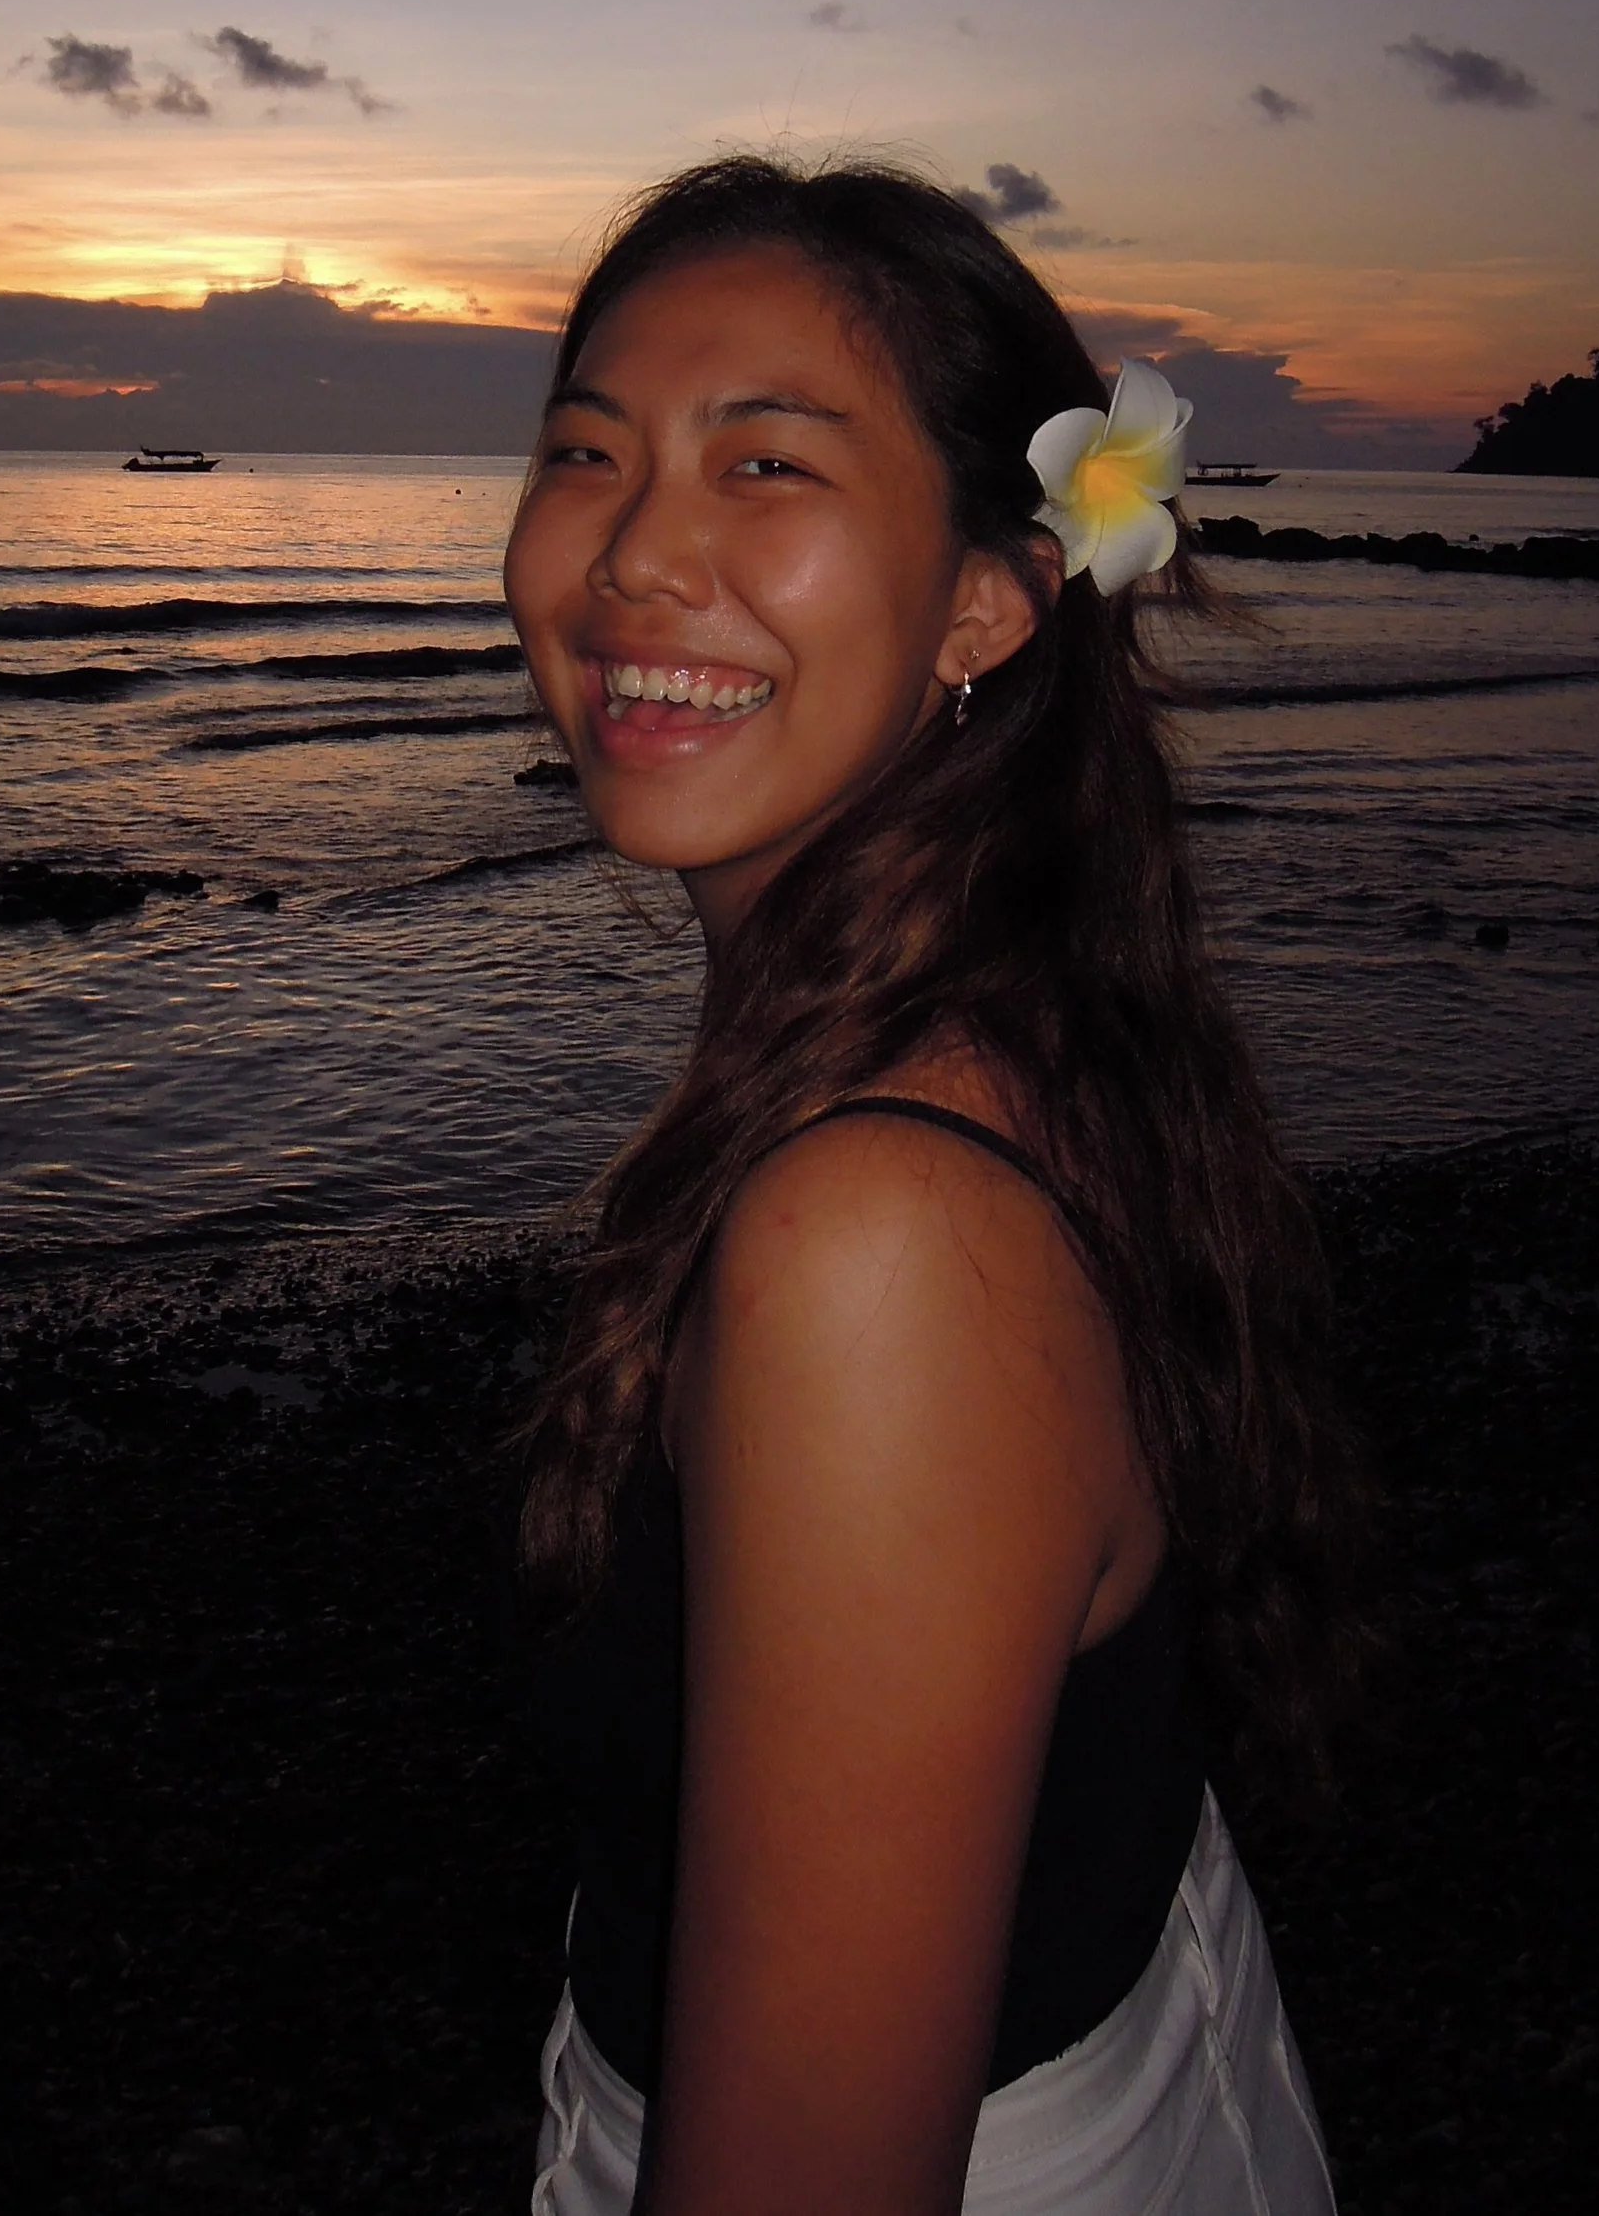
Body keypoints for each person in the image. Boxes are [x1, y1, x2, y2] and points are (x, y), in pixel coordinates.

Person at [503, 157, 1359, 2216]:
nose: (631, 554)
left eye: (765, 465)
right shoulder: (1021, 1013)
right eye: (583, 452)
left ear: (988, 592)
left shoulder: (872, 1232)